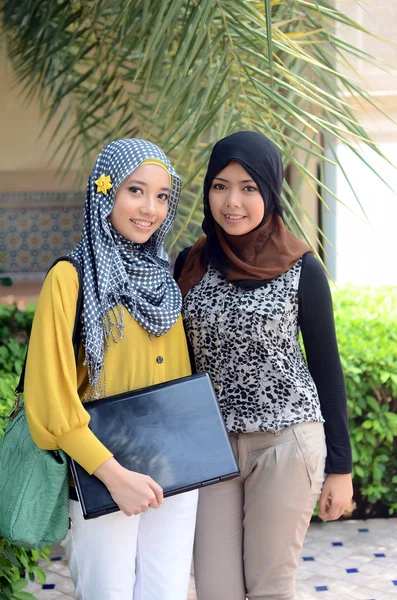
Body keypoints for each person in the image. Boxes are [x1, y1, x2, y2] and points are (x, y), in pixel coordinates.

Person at [174, 131, 353, 600]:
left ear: (270, 192)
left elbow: (326, 370)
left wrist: (341, 468)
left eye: (248, 188)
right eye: (220, 185)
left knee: (269, 589)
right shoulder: (191, 262)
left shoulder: (301, 269)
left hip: (285, 444)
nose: (232, 202)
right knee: (216, 590)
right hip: (210, 450)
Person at [24, 139, 198, 600]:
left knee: (166, 593)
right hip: (105, 474)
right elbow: (50, 397)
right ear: (105, 194)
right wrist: (113, 475)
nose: (150, 209)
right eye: (135, 191)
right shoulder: (71, 276)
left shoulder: (164, 274)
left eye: (162, 196)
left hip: (175, 472)